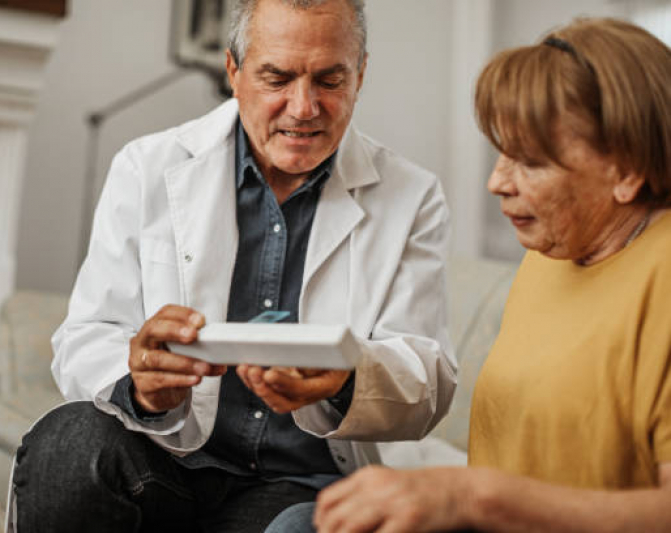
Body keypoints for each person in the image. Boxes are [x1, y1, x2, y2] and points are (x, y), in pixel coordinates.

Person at [11, 0, 457, 531]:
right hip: (164, 457)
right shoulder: (146, 167)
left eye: (329, 80)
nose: (303, 106)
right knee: (68, 441)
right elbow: (87, 336)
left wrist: (345, 377)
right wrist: (141, 383)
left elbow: (428, 380)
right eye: (277, 78)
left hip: (296, 481)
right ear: (234, 71)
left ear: (360, 75)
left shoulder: (414, 196)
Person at [266, 16, 671, 533]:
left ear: (628, 170)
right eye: (502, 152)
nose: (496, 182)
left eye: (530, 161)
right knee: (306, 521)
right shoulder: (552, 254)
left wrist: (474, 497)